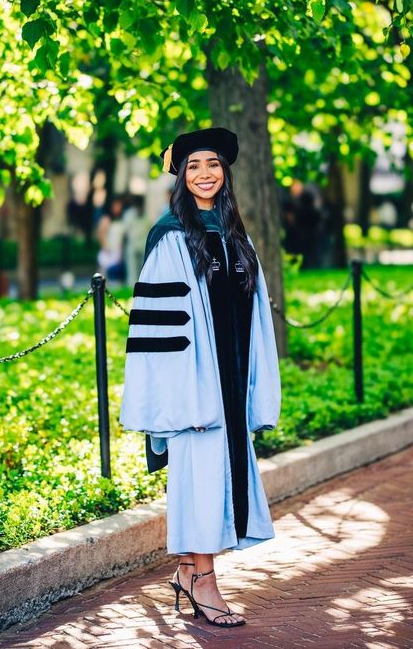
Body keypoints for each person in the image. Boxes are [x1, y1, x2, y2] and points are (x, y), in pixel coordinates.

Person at [120, 127, 281, 628]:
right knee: (199, 479)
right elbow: (164, 327)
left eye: (213, 164)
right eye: (193, 166)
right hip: (194, 390)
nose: (205, 174)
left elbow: (253, 313)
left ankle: (189, 572)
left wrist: (254, 387)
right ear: (180, 174)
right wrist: (186, 395)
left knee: (209, 480)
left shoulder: (235, 231)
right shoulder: (170, 234)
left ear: (225, 172)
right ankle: (206, 582)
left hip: (230, 382)